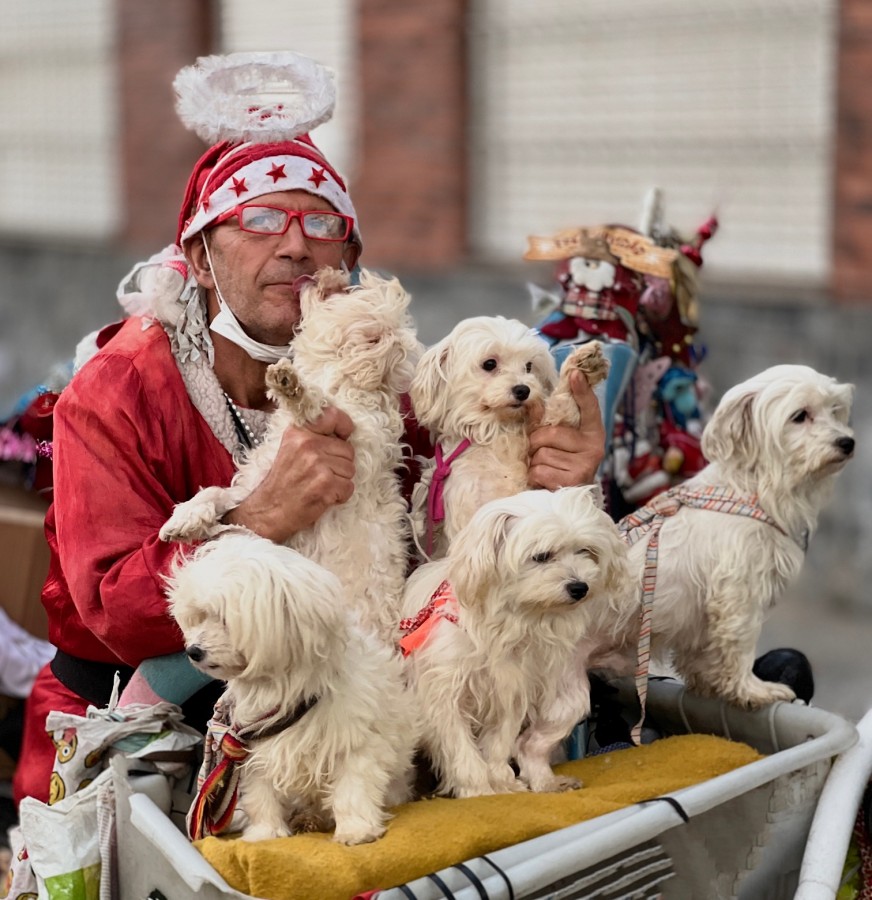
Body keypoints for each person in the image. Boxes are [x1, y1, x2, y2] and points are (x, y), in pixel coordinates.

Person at [13, 52, 606, 806]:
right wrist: (260, 518)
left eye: (322, 225)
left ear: (348, 264)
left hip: (361, 714)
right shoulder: (116, 389)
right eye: (259, 219)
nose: (295, 245)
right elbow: (113, 615)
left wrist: (550, 478)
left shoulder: (384, 378)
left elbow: (460, 535)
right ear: (197, 255)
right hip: (134, 736)